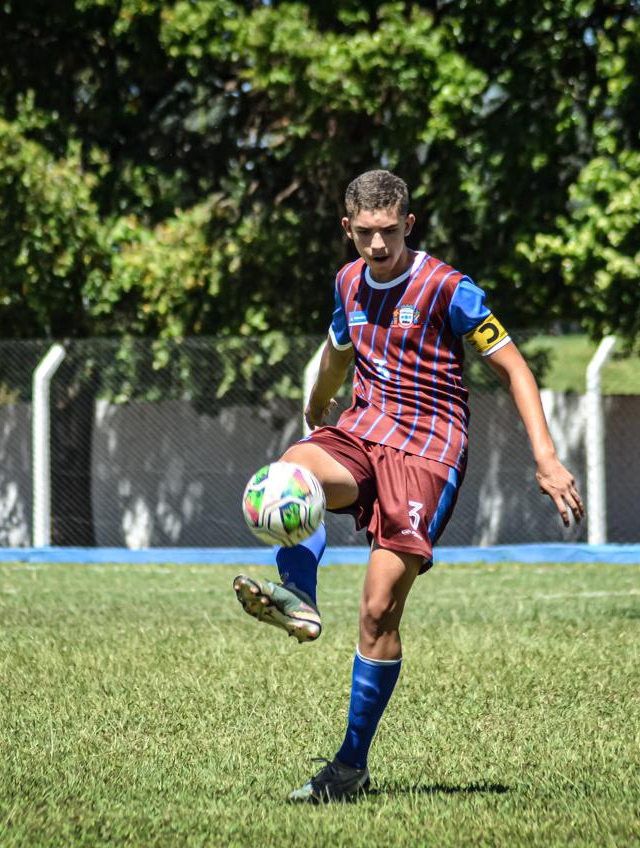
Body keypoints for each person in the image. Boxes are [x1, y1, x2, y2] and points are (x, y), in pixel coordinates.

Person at [232, 169, 584, 803]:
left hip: (428, 452)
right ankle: (299, 595)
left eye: (388, 232)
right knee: (290, 470)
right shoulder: (347, 280)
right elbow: (341, 346)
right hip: (363, 430)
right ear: (348, 228)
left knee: (376, 611)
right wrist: (318, 405)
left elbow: (514, 367)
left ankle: (349, 767)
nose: (376, 246)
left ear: (408, 225)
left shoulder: (448, 289)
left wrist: (547, 458)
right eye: (364, 234)